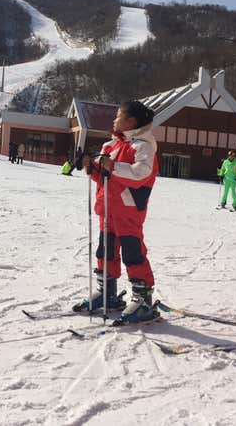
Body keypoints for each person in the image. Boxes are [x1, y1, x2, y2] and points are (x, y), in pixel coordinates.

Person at [74, 100, 159, 323]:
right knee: (106, 250)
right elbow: (104, 178)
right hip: (107, 208)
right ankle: (106, 292)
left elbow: (142, 173)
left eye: (119, 116)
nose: (114, 120)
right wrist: (91, 167)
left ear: (131, 121)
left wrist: (112, 166)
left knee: (133, 252)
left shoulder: (143, 145)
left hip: (128, 209)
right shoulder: (110, 146)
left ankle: (143, 298)